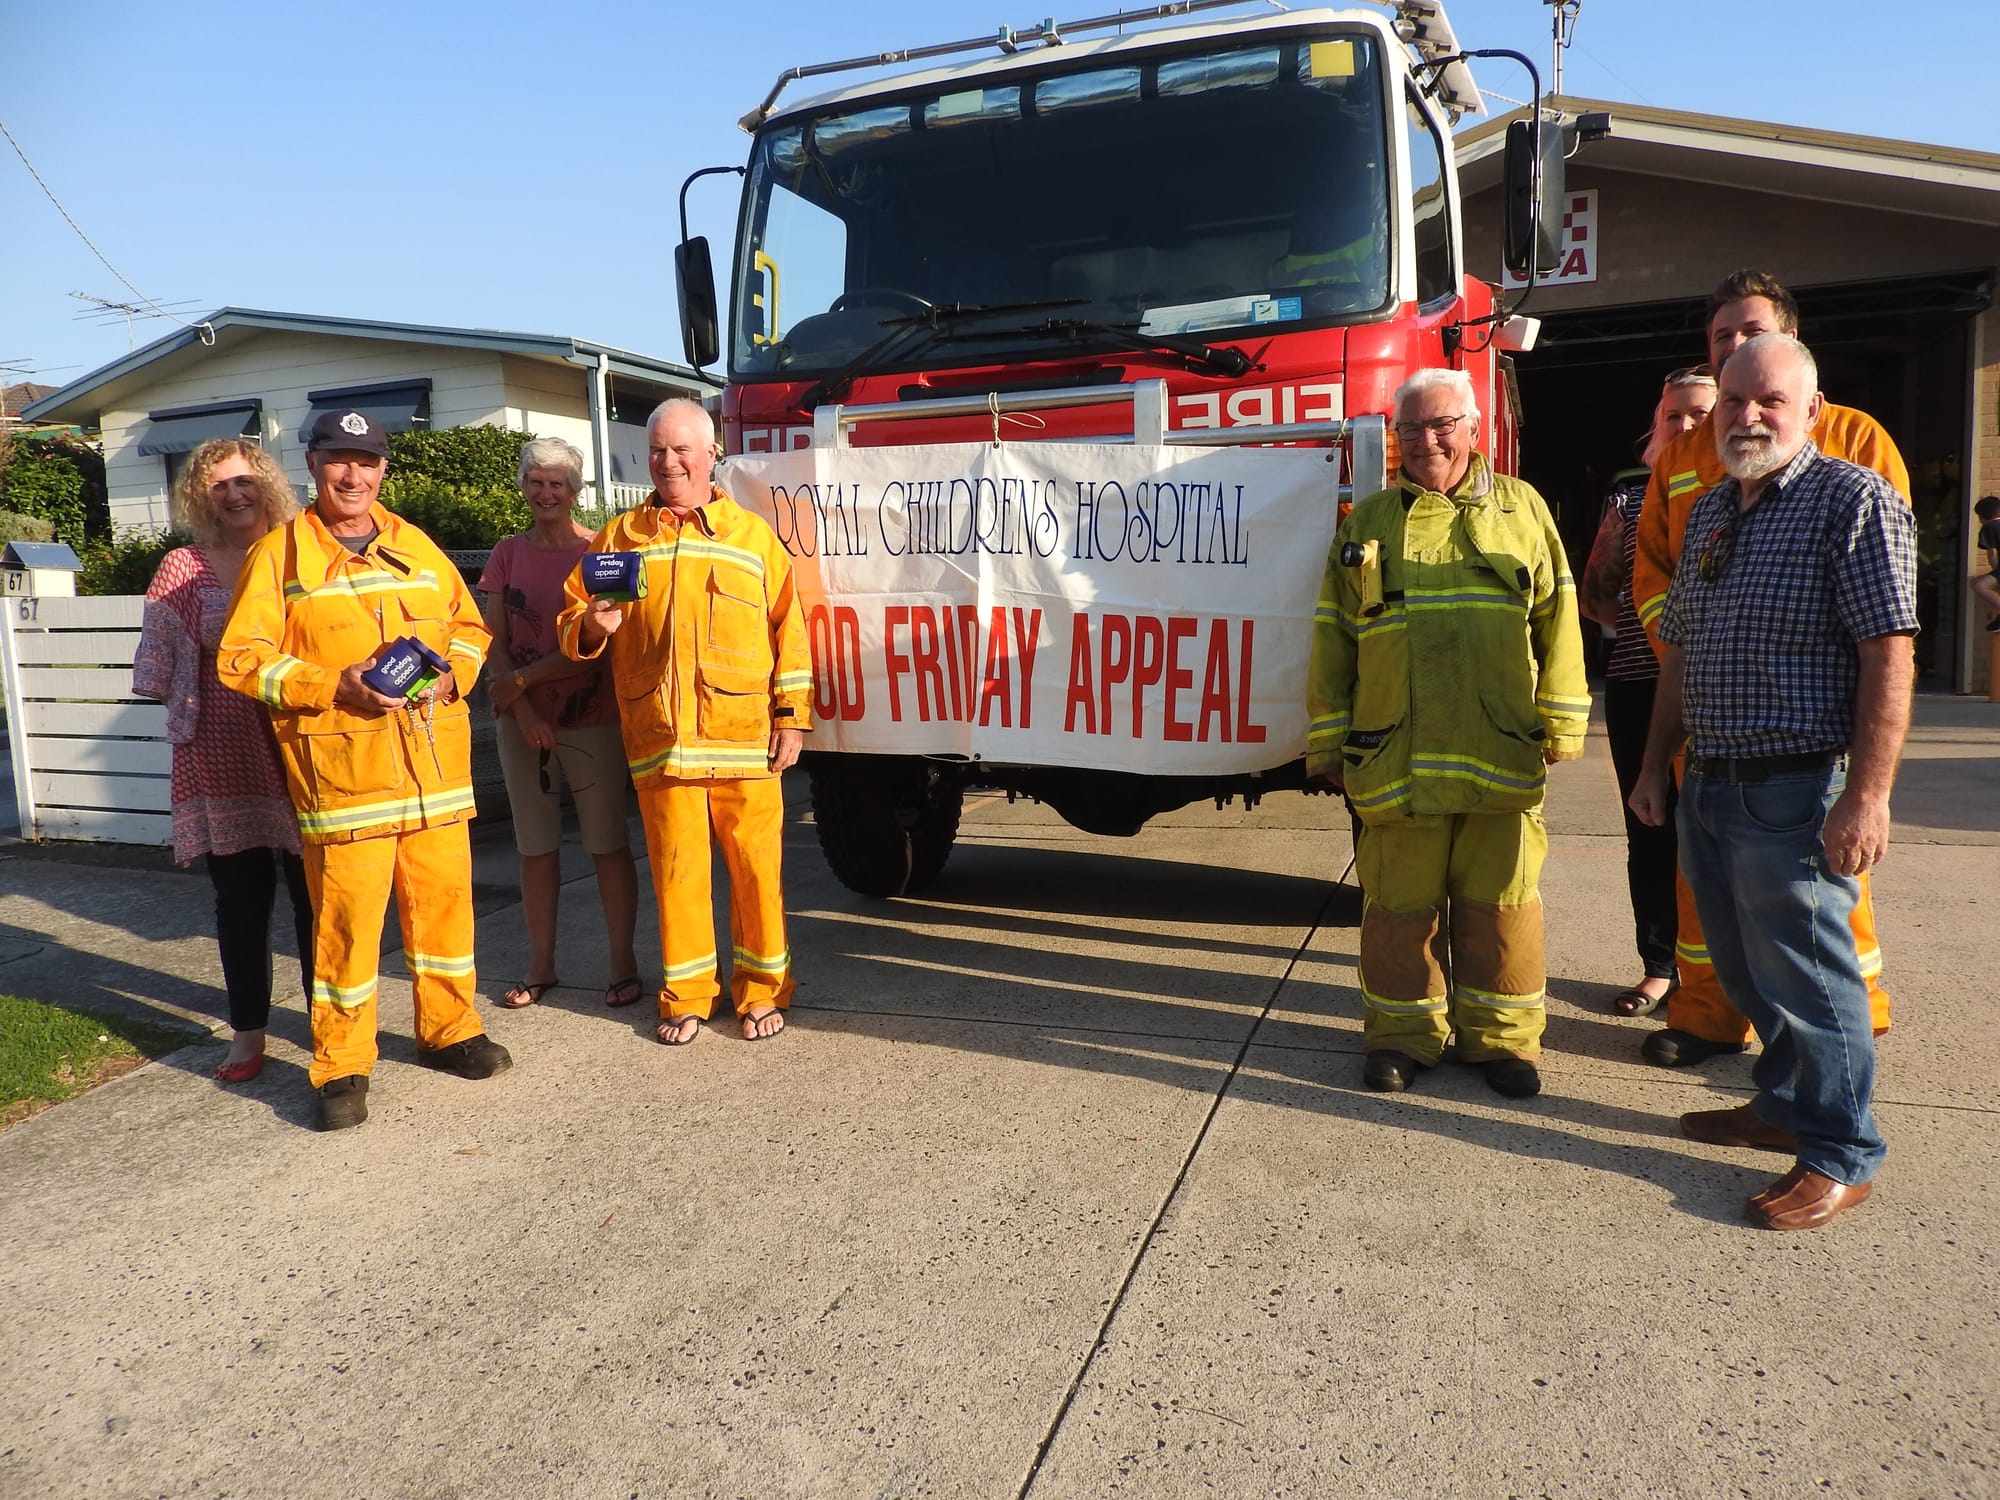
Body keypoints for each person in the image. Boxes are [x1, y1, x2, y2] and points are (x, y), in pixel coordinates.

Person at [1630, 332, 1917, 1231]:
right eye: (1734, 401)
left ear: (1811, 411)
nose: (1747, 416)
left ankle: (1841, 1152)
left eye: (1769, 401)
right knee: (1748, 968)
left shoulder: (1853, 501)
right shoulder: (1713, 509)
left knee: (1814, 975)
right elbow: (1678, 652)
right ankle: (1784, 1103)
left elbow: (1888, 653)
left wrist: (1867, 795)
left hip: (1792, 789)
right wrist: (1651, 765)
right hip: (1709, 782)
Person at [218, 409, 507, 1131]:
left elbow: (470, 630)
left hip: (434, 775)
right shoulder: (278, 556)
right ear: (312, 463)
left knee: (445, 911)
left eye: (368, 461)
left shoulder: (417, 545)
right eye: (339, 459)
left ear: (383, 469)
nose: (354, 474)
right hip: (344, 782)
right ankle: (342, 1064)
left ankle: (450, 1030)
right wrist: (332, 686)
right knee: (345, 931)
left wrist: (451, 682)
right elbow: (242, 659)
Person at [1307, 369, 1589, 1098]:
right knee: (1399, 908)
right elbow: (1334, 638)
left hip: (1499, 749)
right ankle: (1402, 1038)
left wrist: (1562, 720)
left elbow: (1558, 617)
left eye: (1441, 425)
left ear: (1473, 428)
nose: (1426, 441)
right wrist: (1329, 743)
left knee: (1502, 906)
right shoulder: (1367, 523)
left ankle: (1502, 1043)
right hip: (1395, 758)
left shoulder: (1522, 509)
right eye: (1409, 429)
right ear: (1393, 441)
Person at [556, 399, 812, 1046]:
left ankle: (761, 992)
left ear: (711, 454)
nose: (669, 462)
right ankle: (688, 995)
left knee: (757, 870)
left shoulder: (752, 537)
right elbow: (571, 620)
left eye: (682, 450)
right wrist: (592, 624)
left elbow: (791, 633)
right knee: (677, 871)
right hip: (661, 741)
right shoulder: (619, 538)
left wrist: (792, 719)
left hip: (746, 739)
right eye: (659, 451)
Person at [132, 439, 313, 1083]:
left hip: (304, 741)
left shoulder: (303, 549)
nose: (234, 495)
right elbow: (153, 666)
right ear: (199, 497)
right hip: (222, 747)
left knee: (316, 891)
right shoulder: (184, 566)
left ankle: (332, 1022)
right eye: (219, 486)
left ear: (265, 483)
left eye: (244, 481)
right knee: (240, 898)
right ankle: (248, 1031)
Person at [478, 437, 642, 1011]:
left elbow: (596, 638)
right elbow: (490, 639)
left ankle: (622, 965)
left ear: (575, 490)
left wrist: (522, 683)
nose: (546, 492)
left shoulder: (601, 552)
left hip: (592, 717)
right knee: (535, 849)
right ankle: (540, 966)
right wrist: (520, 709)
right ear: (524, 486)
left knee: (607, 845)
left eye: (558, 483)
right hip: (519, 722)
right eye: (536, 481)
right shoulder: (505, 552)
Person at [1579, 366, 1716, 1016]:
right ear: (1653, 431)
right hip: (1641, 685)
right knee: (1652, 830)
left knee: (1719, 836)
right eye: (1674, 416)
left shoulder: (1748, 494)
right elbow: (1597, 595)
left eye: (1700, 414)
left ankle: (1718, 979)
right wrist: (1647, 638)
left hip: (1721, 693)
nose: (1686, 426)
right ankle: (1660, 966)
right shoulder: (1630, 504)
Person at [1971, 494, 2000, 631]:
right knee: (1977, 583)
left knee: (1980, 586)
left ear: (1981, 517)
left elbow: (1992, 553)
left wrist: (1995, 571)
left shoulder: (1989, 528)